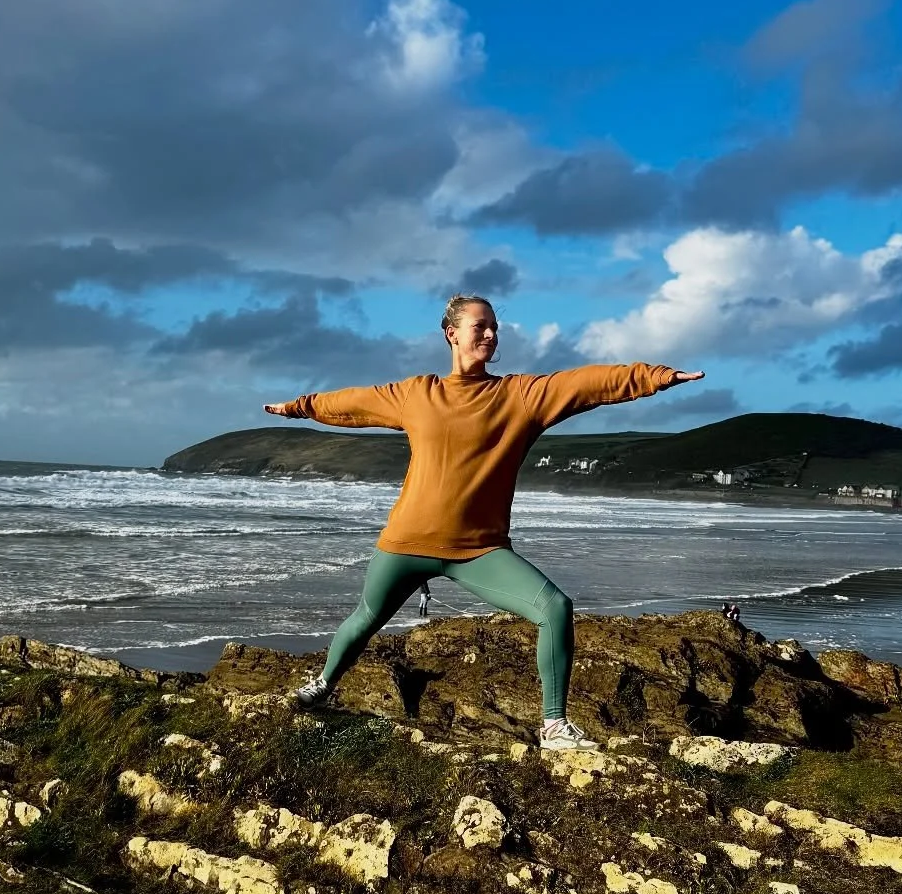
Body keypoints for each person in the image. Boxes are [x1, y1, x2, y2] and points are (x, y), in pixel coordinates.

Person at [263, 294, 704, 751]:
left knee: (554, 608)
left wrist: (656, 377)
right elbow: (352, 404)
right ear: (451, 334)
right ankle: (323, 685)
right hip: (405, 544)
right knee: (365, 619)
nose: (491, 335)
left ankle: (554, 725)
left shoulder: (519, 397)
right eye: (480, 326)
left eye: (495, 327)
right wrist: (300, 406)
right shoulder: (417, 394)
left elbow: (586, 384)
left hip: (479, 550)